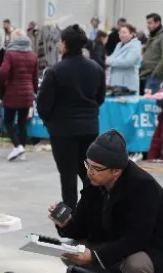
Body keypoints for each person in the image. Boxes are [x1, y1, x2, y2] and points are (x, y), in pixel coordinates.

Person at [50, 130, 163, 273]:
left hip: (152, 252)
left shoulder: (143, 187)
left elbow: (136, 239)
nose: (90, 172)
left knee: (136, 266)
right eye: (88, 165)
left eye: (96, 168)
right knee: (71, 250)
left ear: (116, 171)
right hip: (115, 245)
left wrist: (94, 256)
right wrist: (66, 222)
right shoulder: (94, 182)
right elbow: (82, 226)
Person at [37, 24, 105, 207]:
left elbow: (43, 104)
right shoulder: (96, 69)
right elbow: (100, 98)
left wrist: (50, 120)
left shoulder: (55, 71)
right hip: (89, 128)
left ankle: (71, 213)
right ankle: (95, 210)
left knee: (67, 174)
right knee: (89, 173)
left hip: (62, 131)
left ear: (64, 44)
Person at [0, 29, 39, 162]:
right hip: (27, 93)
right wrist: (34, 91)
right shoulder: (33, 55)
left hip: (12, 92)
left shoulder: (10, 54)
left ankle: (17, 146)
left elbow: (3, 72)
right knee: (22, 123)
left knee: (8, 121)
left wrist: (0, 84)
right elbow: (35, 77)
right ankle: (22, 152)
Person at [106, 24, 141, 93]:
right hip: (116, 81)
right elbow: (113, 57)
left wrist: (109, 61)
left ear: (132, 34)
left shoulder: (135, 45)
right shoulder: (119, 44)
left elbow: (128, 62)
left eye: (124, 33)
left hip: (127, 82)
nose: (121, 35)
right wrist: (106, 59)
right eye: (120, 33)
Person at [141, 13, 163, 94]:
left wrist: (155, 73)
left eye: (150, 23)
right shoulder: (152, 36)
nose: (147, 25)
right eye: (147, 23)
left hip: (154, 76)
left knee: (150, 103)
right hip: (146, 74)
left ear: (157, 23)